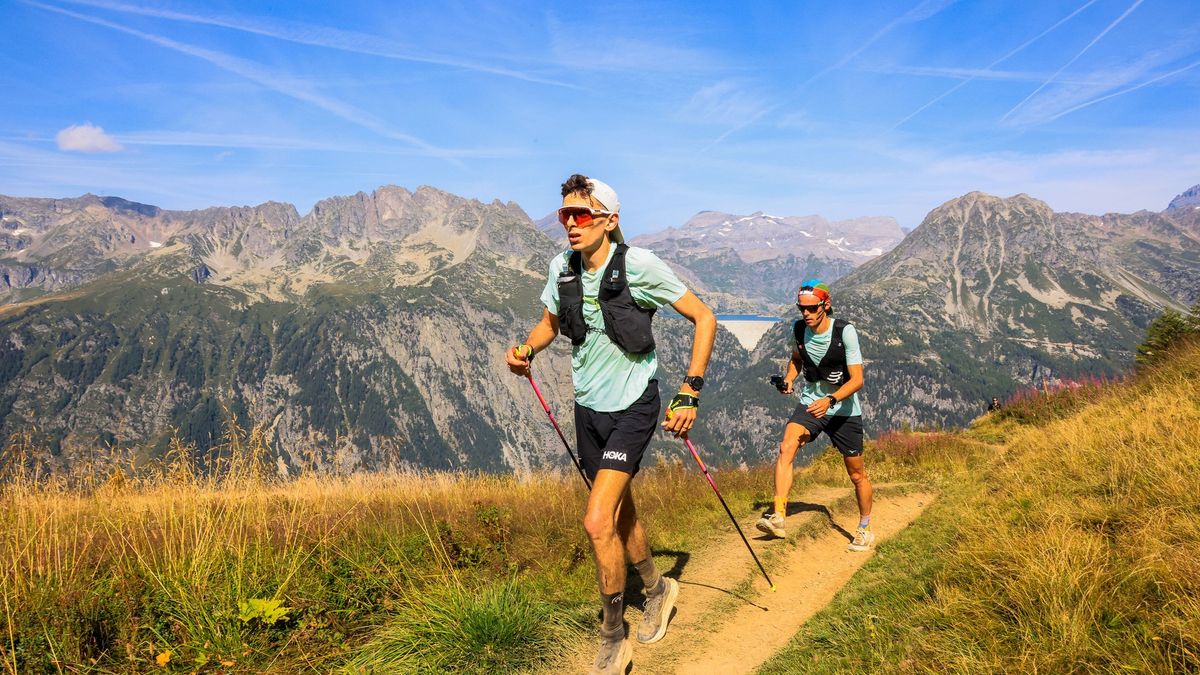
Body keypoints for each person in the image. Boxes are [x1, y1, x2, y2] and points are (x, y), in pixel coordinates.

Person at [505, 174, 716, 675]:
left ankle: (613, 637)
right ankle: (659, 589)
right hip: (588, 409)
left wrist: (690, 391)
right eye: (564, 216)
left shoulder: (639, 266)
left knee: (596, 519)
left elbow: (703, 318)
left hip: (634, 407)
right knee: (619, 513)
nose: (571, 225)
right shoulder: (562, 269)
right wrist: (528, 348)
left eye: (582, 215)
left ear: (610, 220)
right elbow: (550, 324)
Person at [755, 279, 874, 553]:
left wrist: (831, 399)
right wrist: (789, 379)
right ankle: (779, 516)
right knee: (787, 447)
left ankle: (865, 528)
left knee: (857, 475)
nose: (806, 314)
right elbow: (797, 359)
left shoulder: (845, 331)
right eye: (801, 309)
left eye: (811, 309)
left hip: (843, 410)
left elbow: (857, 380)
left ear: (826, 305)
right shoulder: (798, 329)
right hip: (811, 403)